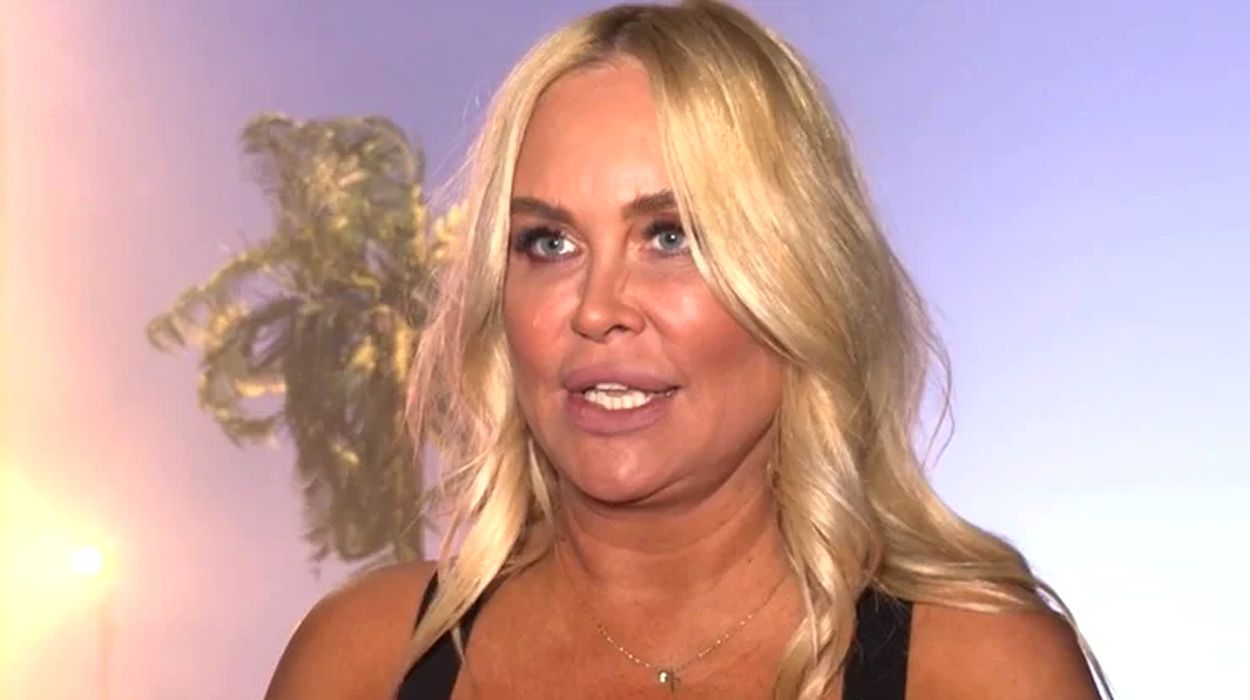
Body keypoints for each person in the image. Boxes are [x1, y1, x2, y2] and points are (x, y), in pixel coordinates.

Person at [265, 2, 1109, 698]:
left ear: (801, 278)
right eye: (550, 243)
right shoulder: (361, 661)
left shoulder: (981, 669)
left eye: (671, 236)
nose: (597, 309)